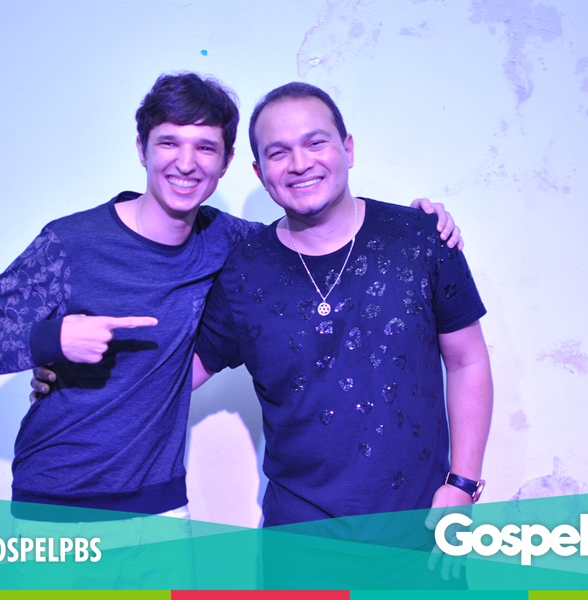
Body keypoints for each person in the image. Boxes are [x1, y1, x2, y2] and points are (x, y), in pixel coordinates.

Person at [0, 72, 459, 521]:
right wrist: (52, 340)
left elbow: (311, 232)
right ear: (141, 149)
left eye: (205, 148)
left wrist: (417, 222)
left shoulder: (232, 243)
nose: (186, 163)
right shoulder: (72, 244)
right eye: (168, 143)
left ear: (227, 162)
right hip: (58, 500)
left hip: (160, 503)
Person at [190, 82, 493, 585]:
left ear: (347, 149)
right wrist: (67, 366)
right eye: (278, 152)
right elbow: (173, 380)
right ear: (260, 172)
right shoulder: (243, 273)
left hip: (422, 537)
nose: (300, 163)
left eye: (316, 142)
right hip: (300, 549)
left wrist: (462, 485)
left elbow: (468, 361)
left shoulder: (420, 239)